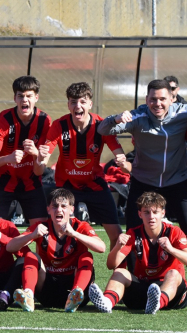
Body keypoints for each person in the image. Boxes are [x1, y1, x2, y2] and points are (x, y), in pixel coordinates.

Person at [98, 78, 187, 306]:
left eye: (162, 99)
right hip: (144, 182)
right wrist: (117, 118)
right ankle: (130, 284)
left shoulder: (185, 113)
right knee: (133, 230)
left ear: (172, 98)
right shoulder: (138, 117)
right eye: (153, 99)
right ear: (146, 100)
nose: (157, 103)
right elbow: (102, 129)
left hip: (178, 182)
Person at [35, 82, 128, 246]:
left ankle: (118, 271)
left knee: (117, 236)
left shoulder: (101, 126)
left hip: (95, 185)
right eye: (73, 102)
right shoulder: (59, 125)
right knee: (60, 233)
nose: (78, 106)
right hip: (66, 187)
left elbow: (123, 161)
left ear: (90, 104)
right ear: (68, 104)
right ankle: (62, 269)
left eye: (83, 102)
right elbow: (39, 168)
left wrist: (123, 163)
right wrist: (39, 159)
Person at [88, 192, 187, 314]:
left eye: (155, 212)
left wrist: (171, 249)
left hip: (171, 293)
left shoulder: (174, 232)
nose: (151, 217)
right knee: (120, 272)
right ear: (140, 214)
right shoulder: (133, 233)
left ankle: (157, 303)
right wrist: (118, 245)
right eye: (146, 212)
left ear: (163, 213)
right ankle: (107, 303)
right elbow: (111, 265)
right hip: (144, 290)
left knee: (173, 274)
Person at [6, 188, 105, 313]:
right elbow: (10, 247)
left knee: (87, 256)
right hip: (48, 290)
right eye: (54, 206)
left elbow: (101, 248)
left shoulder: (80, 226)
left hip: (73, 285)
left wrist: (74, 234)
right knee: (31, 256)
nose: (59, 210)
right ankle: (29, 296)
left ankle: (75, 295)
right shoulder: (41, 227)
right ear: (48, 209)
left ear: (71, 210)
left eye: (64, 206)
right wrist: (32, 235)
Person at [0, 75, 50, 228]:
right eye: (20, 96)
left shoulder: (45, 121)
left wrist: (36, 154)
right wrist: (8, 158)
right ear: (15, 98)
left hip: (31, 182)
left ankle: (34, 253)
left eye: (29, 96)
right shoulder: (4, 119)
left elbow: (40, 170)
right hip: (3, 181)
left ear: (36, 98)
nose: (24, 100)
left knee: (42, 230)